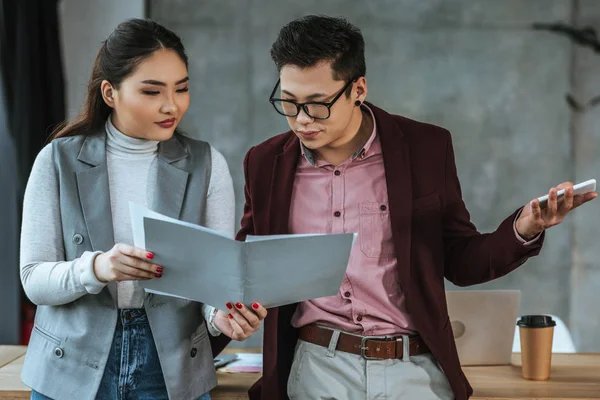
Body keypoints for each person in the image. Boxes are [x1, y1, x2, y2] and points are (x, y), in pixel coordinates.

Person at [235, 15, 597, 400]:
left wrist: (523, 228)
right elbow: (249, 266)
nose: (303, 119)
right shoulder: (265, 162)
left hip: (414, 370)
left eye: (318, 104)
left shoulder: (426, 149)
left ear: (358, 88)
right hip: (316, 369)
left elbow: (459, 260)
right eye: (289, 103)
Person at [19, 18, 266, 400]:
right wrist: (99, 268)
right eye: (152, 91)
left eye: (182, 88)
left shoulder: (206, 163)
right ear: (110, 93)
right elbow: (33, 280)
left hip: (172, 366)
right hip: (71, 364)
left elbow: (214, 282)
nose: (172, 105)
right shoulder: (57, 161)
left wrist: (223, 318)